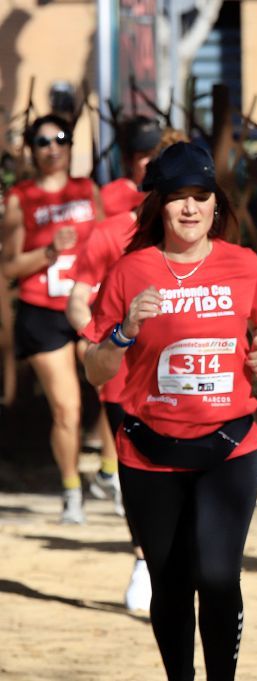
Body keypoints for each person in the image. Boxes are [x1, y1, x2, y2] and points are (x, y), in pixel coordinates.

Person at [83, 141, 257, 680]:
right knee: (171, 583)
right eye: (178, 198)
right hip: (150, 452)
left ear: (217, 204)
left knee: (217, 576)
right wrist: (124, 332)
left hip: (230, 446)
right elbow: (95, 369)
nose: (191, 209)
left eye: (202, 197)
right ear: (160, 205)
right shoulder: (131, 271)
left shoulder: (243, 264)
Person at [68, 127, 189, 612]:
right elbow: (79, 300)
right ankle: (145, 560)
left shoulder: (207, 237)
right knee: (141, 480)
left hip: (189, 379)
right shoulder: (108, 232)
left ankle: (185, 559)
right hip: (124, 381)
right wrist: (104, 342)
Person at [1, 113, 103, 523]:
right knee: (67, 410)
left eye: (59, 138)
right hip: (43, 310)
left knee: (119, 388)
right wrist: (49, 253)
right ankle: (72, 489)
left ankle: (112, 473)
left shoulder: (87, 189)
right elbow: (9, 266)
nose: (52, 147)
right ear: (32, 149)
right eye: (42, 141)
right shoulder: (20, 197)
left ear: (69, 145)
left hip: (91, 307)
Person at [101, 115, 162, 217]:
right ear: (129, 160)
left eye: (156, 154)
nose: (153, 161)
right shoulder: (109, 196)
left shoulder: (170, 192)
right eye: (144, 155)